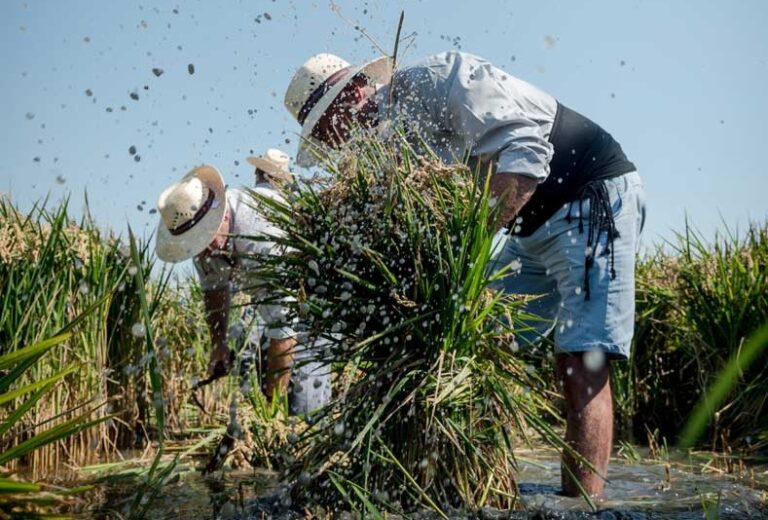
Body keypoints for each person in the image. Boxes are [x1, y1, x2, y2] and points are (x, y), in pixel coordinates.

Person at [282, 50, 646, 497]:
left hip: (588, 196)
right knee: (475, 344)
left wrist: (462, 252)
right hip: (527, 229)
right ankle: (484, 486)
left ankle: (583, 505)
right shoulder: (390, 146)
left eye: (325, 128)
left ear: (352, 94)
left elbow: (527, 154)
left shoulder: (432, 80)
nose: (332, 144)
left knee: (580, 361)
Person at [154, 158, 331, 415]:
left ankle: (304, 434)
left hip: (312, 303)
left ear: (222, 213)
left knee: (302, 404)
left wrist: (272, 415)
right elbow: (214, 290)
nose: (205, 248)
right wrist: (218, 344)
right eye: (197, 242)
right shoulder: (203, 246)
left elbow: (285, 329)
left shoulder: (259, 235)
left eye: (207, 236)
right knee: (254, 363)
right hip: (275, 309)